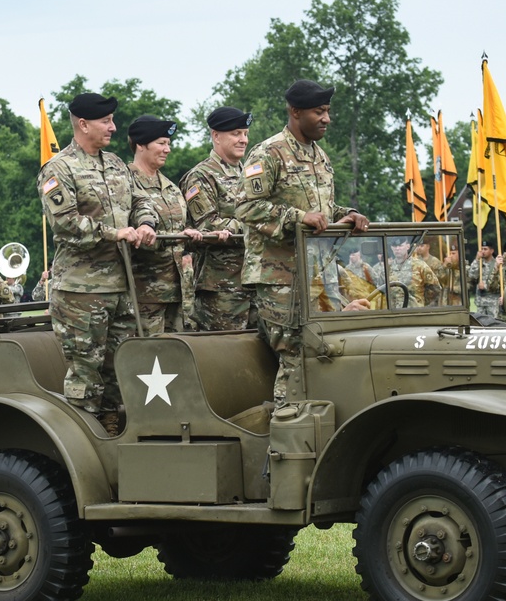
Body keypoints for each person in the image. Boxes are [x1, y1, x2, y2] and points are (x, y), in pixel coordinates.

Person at [235, 79, 369, 404]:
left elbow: (322, 210)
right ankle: (287, 437)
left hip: (317, 277)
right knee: (297, 357)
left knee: (324, 356)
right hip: (280, 279)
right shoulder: (268, 153)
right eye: (319, 111)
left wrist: (346, 214)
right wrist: (297, 217)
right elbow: (246, 207)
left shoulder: (319, 156)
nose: (327, 119)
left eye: (328, 112)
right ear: (296, 112)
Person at [37, 92, 157, 432]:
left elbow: (141, 200)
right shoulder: (58, 168)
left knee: (122, 372)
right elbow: (66, 224)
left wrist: (146, 223)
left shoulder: (117, 164)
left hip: (121, 288)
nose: (113, 127)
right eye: (106, 121)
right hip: (80, 292)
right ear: (83, 124)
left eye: (112, 120)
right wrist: (115, 233)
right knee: (86, 377)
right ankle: (84, 446)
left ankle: (115, 437)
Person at [180, 106, 257, 331]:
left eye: (245, 133)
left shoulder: (249, 174)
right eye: (236, 134)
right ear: (216, 136)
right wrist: (259, 223)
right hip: (222, 287)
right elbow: (208, 225)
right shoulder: (201, 176)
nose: (243, 139)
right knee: (225, 354)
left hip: (253, 279)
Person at [127, 114, 203, 334]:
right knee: (147, 358)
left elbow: (183, 228)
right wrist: (175, 237)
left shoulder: (171, 188)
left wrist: (192, 236)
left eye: (168, 144)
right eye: (161, 143)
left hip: (178, 294)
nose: (167, 149)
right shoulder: (124, 182)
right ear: (141, 144)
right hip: (144, 295)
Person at [375, 237, 440, 307]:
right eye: (395, 246)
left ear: (408, 246)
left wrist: (421, 304)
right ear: (391, 248)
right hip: (393, 314)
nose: (397, 249)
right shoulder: (386, 270)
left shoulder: (420, 266)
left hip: (415, 313)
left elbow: (436, 289)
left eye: (400, 246)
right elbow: (379, 293)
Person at [466, 240, 499, 318]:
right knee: (481, 323)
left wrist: (486, 286)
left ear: (491, 251)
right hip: (481, 301)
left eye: (485, 249)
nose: (483, 251)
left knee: (493, 324)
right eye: (482, 249)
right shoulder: (479, 263)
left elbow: (499, 282)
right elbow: (471, 275)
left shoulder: (496, 264)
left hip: (493, 301)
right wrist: (477, 259)